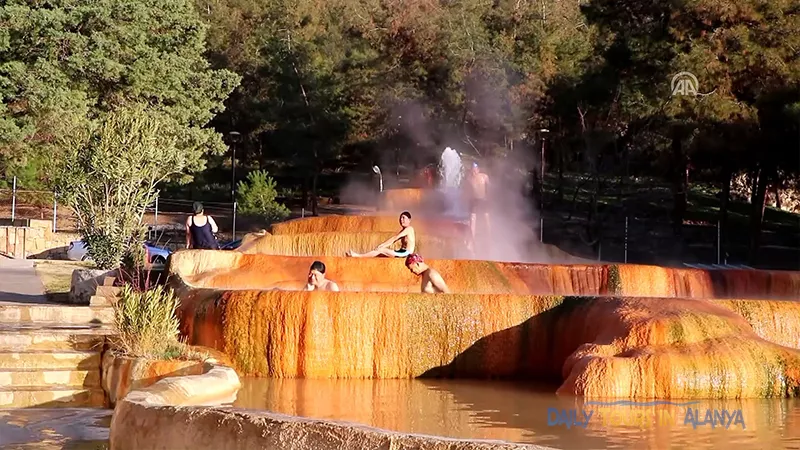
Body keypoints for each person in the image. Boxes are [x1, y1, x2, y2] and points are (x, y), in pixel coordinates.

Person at [346, 211, 415, 258]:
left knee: (381, 250)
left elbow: (395, 238)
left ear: (409, 220)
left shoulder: (409, 229)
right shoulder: (403, 230)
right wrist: (382, 245)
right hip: (401, 252)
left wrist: (382, 245)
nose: (401, 220)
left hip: (406, 253)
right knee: (380, 252)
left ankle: (358, 256)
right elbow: (393, 240)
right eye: (400, 218)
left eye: (403, 218)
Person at [465, 162, 490, 251]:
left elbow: (489, 187)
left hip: (483, 199)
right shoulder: (469, 179)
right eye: (472, 170)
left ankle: (489, 236)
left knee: (486, 217)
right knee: (472, 218)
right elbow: (467, 192)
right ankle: (472, 240)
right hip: (474, 200)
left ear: (478, 170)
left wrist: (489, 197)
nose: (474, 172)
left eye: (475, 170)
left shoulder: (485, 177)